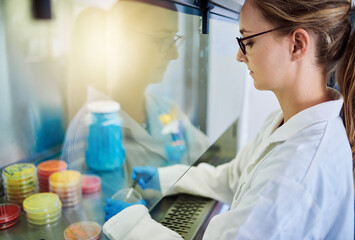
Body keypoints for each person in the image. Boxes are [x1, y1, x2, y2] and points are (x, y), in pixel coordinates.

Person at [103, 0, 355, 239]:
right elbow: (235, 178)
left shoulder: (294, 178)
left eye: (248, 41)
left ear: (297, 45)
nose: (239, 55)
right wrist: (166, 178)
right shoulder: (287, 122)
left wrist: (132, 225)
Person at [63, 0, 210, 176]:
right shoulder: (90, 132)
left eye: (173, 39)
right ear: (121, 41)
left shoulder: (165, 108)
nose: (174, 54)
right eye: (163, 39)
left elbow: (213, 158)